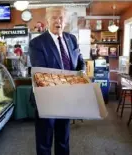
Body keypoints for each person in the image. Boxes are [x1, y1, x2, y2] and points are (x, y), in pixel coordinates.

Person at [29, 6, 85, 155]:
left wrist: (82, 73)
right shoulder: (37, 43)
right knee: (44, 142)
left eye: (61, 18)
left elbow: (80, 61)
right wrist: (71, 81)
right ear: (47, 21)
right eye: (54, 17)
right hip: (46, 98)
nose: (57, 21)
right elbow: (42, 73)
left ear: (65, 21)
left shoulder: (71, 39)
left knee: (63, 138)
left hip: (67, 98)